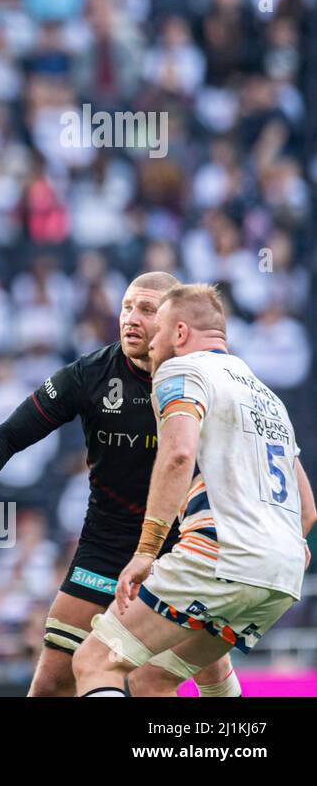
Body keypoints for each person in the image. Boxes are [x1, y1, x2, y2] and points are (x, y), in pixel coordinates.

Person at [0, 272, 236, 697]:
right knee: (52, 684)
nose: (131, 318)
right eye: (127, 306)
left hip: (183, 546)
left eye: (147, 310)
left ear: (173, 320)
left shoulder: (209, 379)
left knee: (185, 677)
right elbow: (7, 436)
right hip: (106, 546)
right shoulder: (89, 374)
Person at [73, 284, 315, 696]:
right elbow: (307, 510)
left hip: (220, 553)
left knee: (96, 661)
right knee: (155, 678)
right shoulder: (268, 397)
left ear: (180, 333)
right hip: (283, 569)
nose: (151, 348)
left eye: (159, 334)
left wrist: (146, 551)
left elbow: (178, 455)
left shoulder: (182, 370)